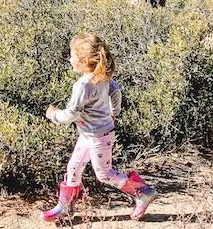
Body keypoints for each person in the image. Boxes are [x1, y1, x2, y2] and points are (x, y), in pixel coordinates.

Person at [42, 35, 156, 222]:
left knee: (104, 174)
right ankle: (65, 209)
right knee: (73, 167)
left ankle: (143, 192)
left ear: (84, 61)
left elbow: (72, 113)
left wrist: (53, 115)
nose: (70, 59)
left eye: (72, 56)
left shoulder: (83, 85)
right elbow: (115, 89)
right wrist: (114, 112)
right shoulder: (101, 77)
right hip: (89, 134)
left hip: (98, 136)